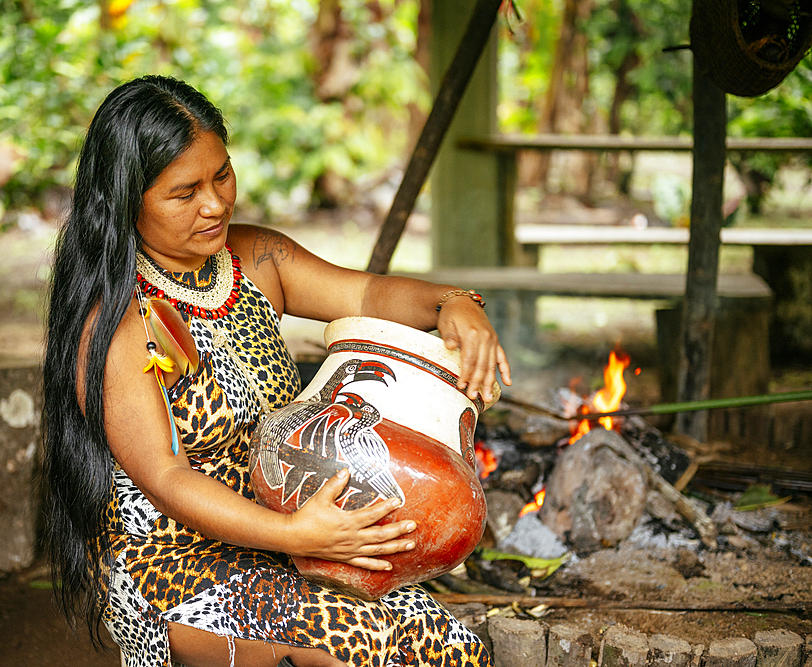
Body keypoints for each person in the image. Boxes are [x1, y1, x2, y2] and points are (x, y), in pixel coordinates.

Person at [42, 74, 512, 667]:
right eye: (183, 193)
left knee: (449, 647)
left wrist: (453, 302)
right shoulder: (119, 321)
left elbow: (366, 293)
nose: (215, 204)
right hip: (177, 565)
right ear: (125, 200)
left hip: (293, 535)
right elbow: (165, 477)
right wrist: (297, 537)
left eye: (222, 174)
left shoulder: (256, 258)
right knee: (363, 651)